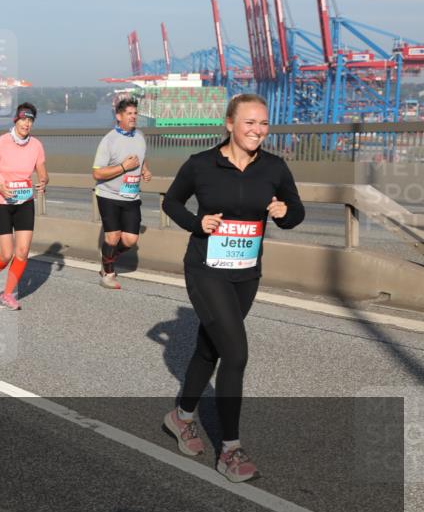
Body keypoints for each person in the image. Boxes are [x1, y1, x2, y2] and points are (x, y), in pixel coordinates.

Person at [160, 94, 304, 483]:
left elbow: (296, 211)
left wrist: (284, 213)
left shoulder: (274, 167)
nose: (257, 131)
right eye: (249, 123)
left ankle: (181, 417)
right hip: (206, 270)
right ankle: (230, 451)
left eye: (263, 124)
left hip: (246, 274)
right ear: (229, 124)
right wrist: (196, 223)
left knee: (211, 348)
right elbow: (171, 201)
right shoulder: (201, 165)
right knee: (236, 353)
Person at [0, 102, 48, 310]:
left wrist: (43, 180)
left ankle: (7, 294)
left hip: (24, 201)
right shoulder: (2, 143)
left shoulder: (36, 145)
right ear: (16, 120)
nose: (27, 124)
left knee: (23, 251)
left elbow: (42, 170)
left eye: (31, 120)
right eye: (24, 119)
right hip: (0, 202)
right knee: (6, 254)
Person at [91, 97, 152, 289]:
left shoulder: (140, 136)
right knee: (113, 236)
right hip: (108, 195)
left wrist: (144, 169)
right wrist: (123, 167)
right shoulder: (109, 140)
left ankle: (106, 260)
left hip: (131, 196)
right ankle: (108, 274)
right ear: (119, 116)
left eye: (135, 113)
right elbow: (97, 172)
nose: (134, 117)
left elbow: (141, 158)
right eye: (129, 114)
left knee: (130, 240)